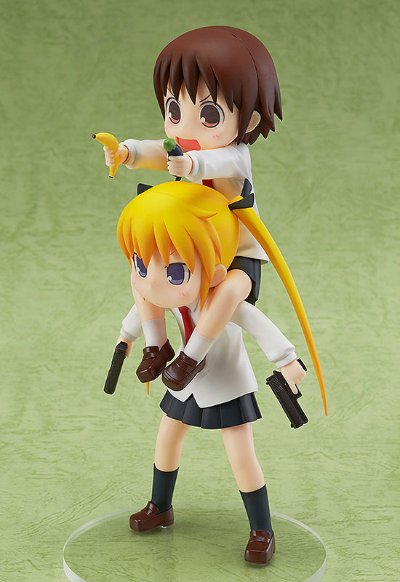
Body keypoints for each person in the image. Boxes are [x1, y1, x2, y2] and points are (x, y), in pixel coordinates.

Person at [114, 180, 320, 564]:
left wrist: (287, 360)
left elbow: (259, 324)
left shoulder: (223, 302)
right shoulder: (166, 298)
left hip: (226, 385)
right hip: (182, 384)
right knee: (166, 440)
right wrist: (126, 337)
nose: (152, 281)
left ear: (216, 269)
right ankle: (160, 506)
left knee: (241, 455)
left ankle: (262, 530)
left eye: (176, 271)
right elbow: (141, 310)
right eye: (141, 265)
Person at [103, 26, 284, 390]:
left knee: (229, 293)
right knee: (143, 276)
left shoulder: (235, 155)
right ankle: (157, 344)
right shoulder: (183, 148)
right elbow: (159, 150)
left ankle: (192, 356)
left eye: (209, 115)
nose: (184, 127)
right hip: (194, 248)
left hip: (237, 255)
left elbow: (216, 162)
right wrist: (128, 152)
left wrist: (191, 164)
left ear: (248, 120)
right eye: (173, 109)